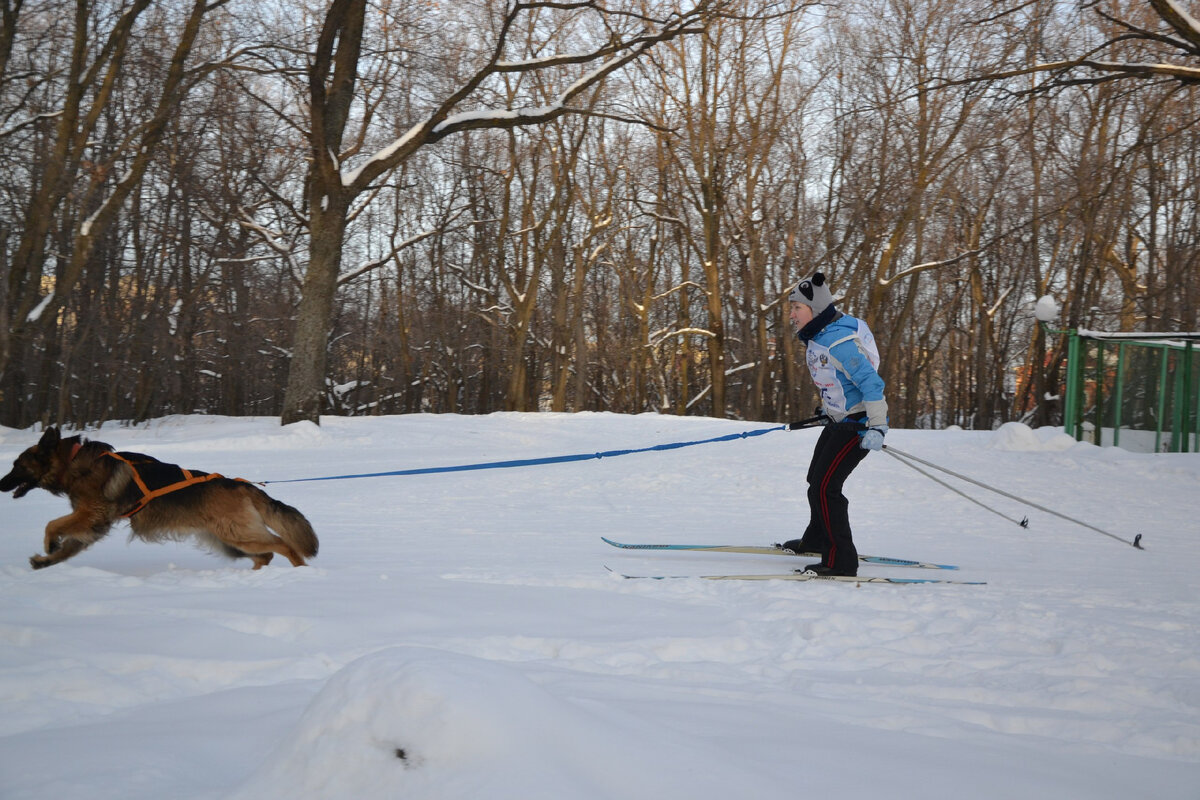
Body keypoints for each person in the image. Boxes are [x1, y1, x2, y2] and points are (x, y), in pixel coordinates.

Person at [781, 272, 888, 577]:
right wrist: (829, 409)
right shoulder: (820, 336)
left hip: (858, 424)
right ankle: (817, 538)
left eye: (796, 308)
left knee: (827, 488)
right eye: (792, 308)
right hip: (839, 420)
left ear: (814, 309)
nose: (791, 314)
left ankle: (841, 560)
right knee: (816, 479)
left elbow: (870, 382)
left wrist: (877, 426)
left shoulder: (838, 341)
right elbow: (837, 383)